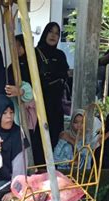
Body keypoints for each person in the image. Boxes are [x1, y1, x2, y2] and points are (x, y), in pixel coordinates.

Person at [32, 22, 69, 164]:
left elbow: (65, 75)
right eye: (51, 32)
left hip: (56, 105)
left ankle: (53, 171)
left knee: (54, 138)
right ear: (45, 33)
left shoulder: (60, 55)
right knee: (38, 139)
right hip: (39, 103)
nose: (53, 35)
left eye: (57, 33)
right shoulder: (35, 53)